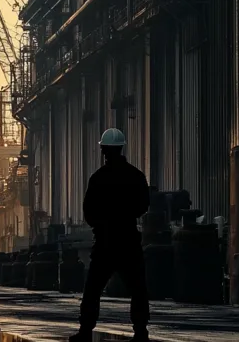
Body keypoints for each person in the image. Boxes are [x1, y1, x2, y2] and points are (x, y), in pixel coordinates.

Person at [70, 128, 151, 342]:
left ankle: (85, 331)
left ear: (103, 149)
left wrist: (101, 224)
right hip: (128, 239)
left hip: (105, 241)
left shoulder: (98, 178)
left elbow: (88, 210)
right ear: (122, 147)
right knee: (137, 288)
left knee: (93, 289)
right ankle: (141, 332)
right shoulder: (135, 175)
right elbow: (144, 204)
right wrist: (126, 216)